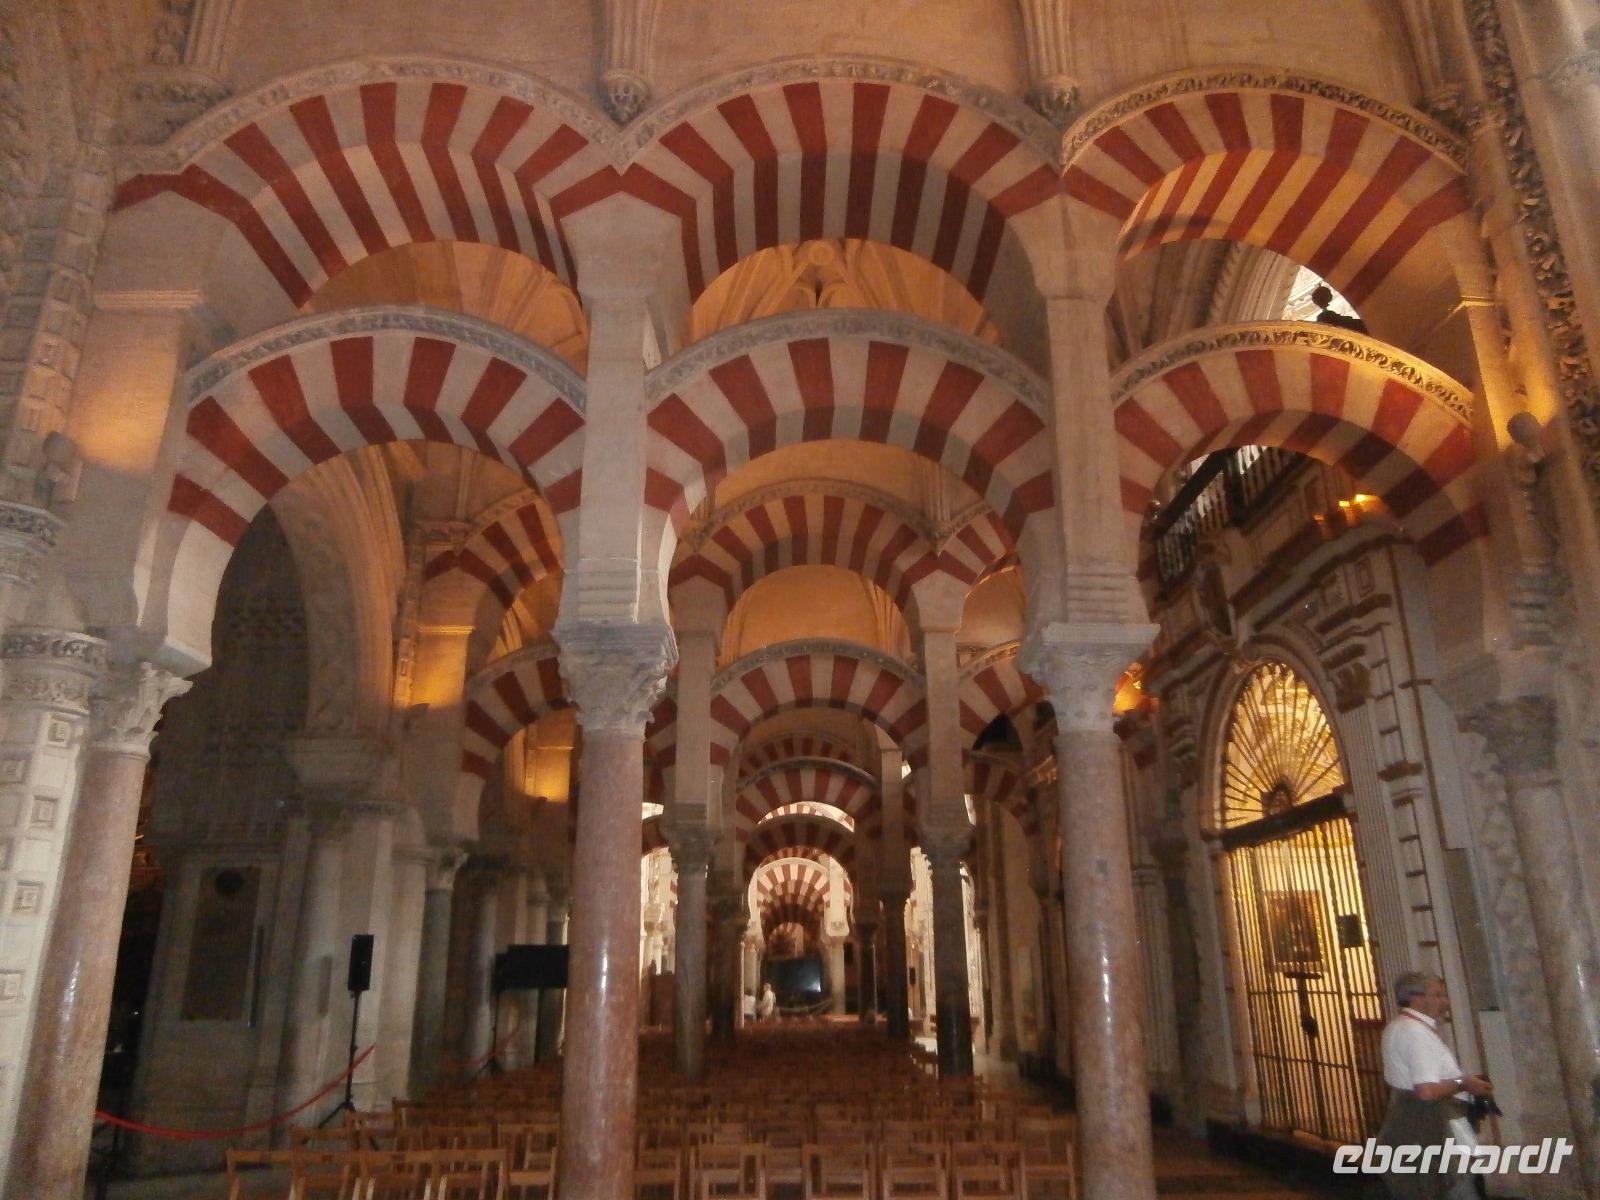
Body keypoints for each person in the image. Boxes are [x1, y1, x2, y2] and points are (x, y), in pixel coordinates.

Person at [1376, 972, 1494, 1199]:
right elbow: (1427, 1090)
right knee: (1455, 1187)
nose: (1445, 1002)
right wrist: (1464, 1083)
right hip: (1433, 1124)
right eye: (1438, 995)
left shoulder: (1399, 1027)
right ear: (1416, 998)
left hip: (1414, 1123)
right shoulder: (1415, 1033)